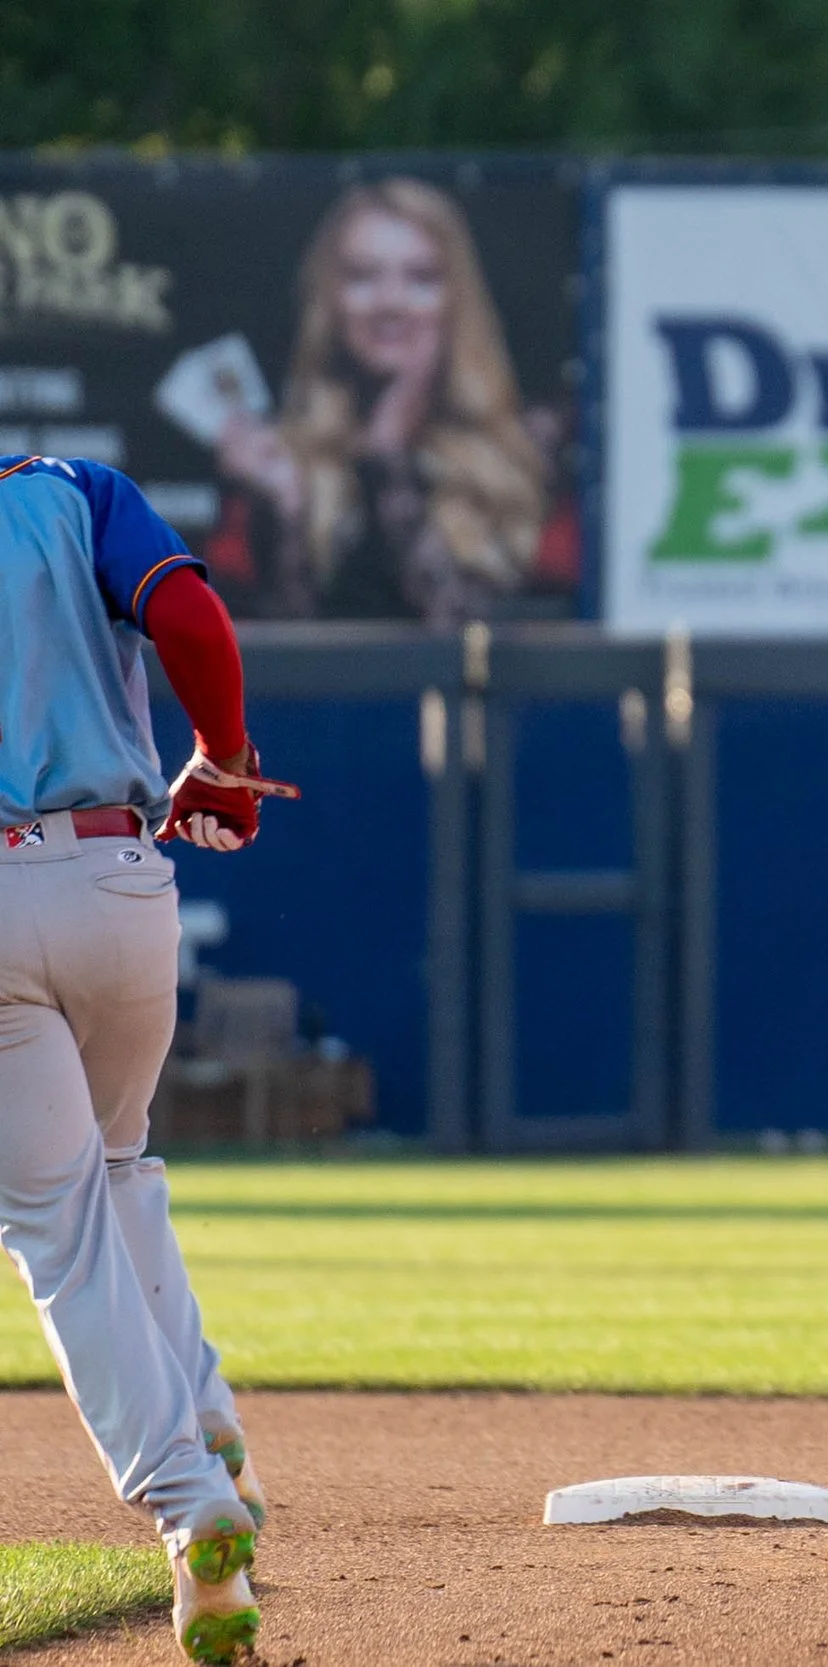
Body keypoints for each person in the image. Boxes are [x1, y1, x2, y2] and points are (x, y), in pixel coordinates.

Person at [0, 454, 292, 1662]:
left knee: (59, 1223)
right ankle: (209, 1417)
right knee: (118, 1169)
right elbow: (183, 610)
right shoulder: (67, 488)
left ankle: (189, 1501)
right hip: (119, 877)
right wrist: (221, 754)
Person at [212, 177, 549, 626]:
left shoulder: (525, 443)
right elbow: (290, 660)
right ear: (331, 298)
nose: (391, 303)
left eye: (421, 278)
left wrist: (388, 455)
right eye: (363, 276)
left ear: (456, 299)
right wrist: (286, 512)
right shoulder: (292, 453)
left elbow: (460, 627)